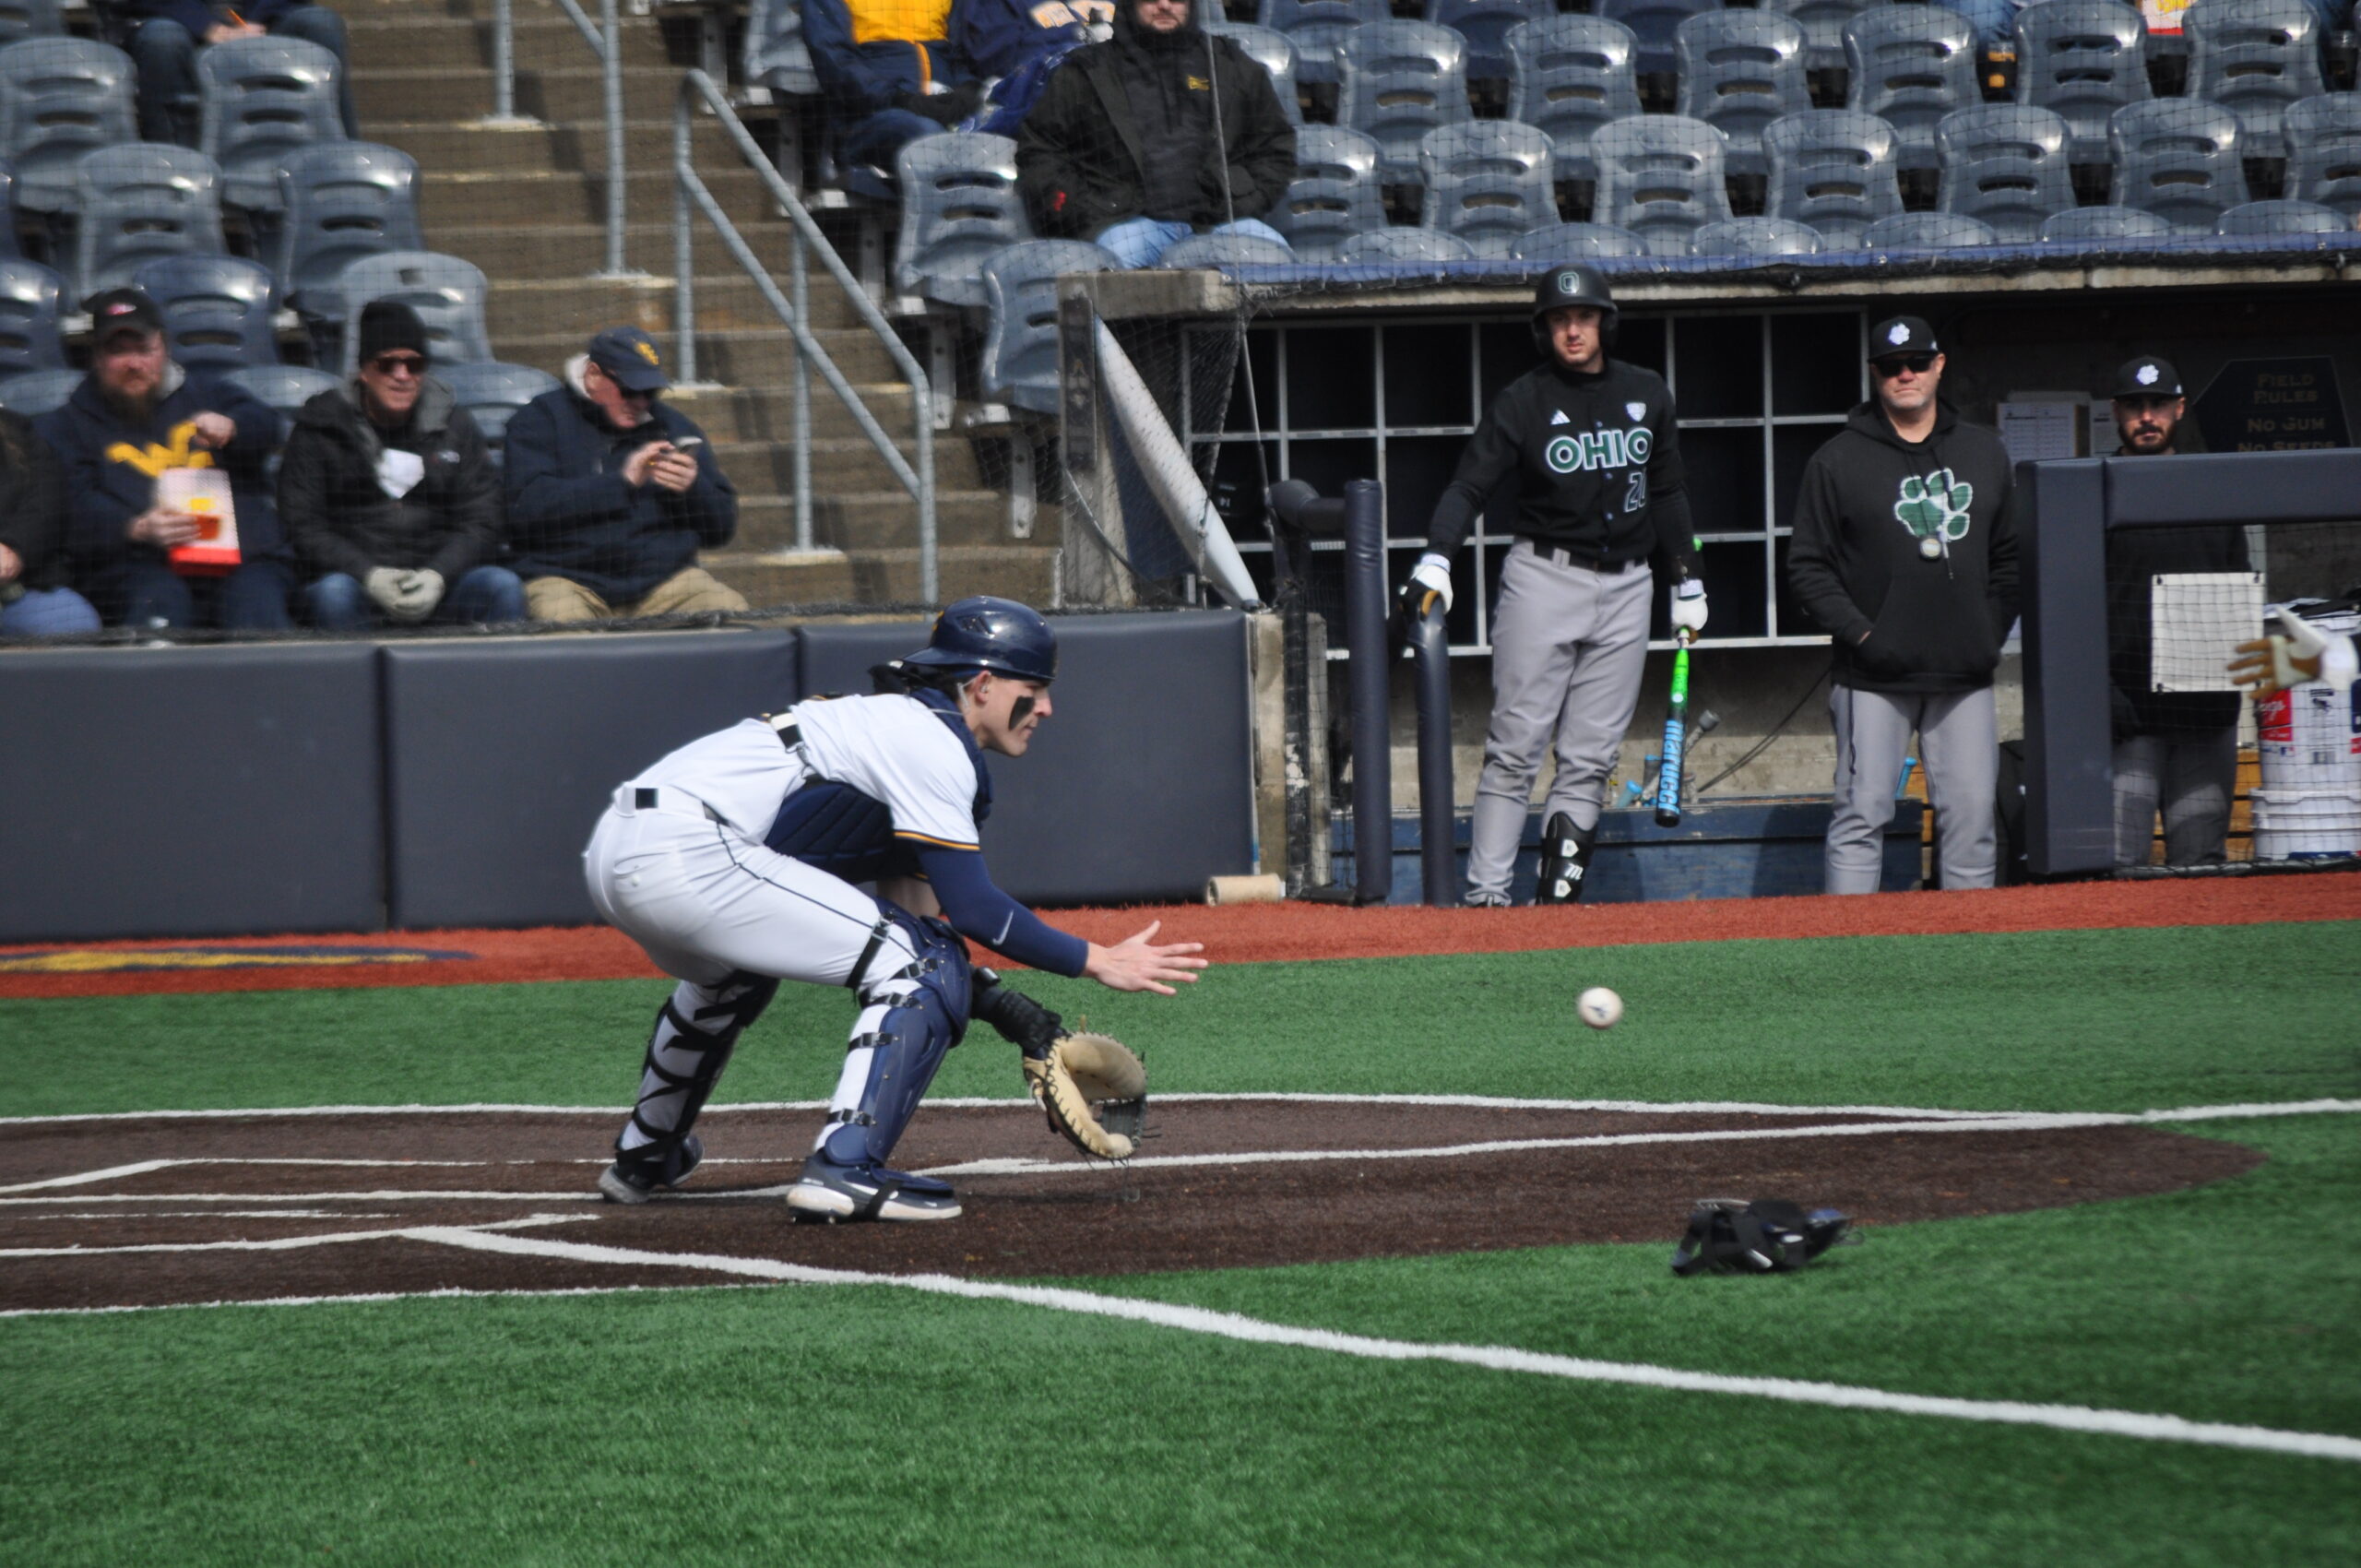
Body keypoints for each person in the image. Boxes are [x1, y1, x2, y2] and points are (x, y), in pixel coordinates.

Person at [581, 596, 1206, 1221]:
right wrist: (1096, 959)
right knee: (920, 964)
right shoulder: (930, 742)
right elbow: (972, 914)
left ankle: (647, 1153)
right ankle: (845, 1167)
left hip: (623, 848)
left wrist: (1019, 1017)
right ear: (983, 685)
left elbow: (923, 925)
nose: (1046, 708)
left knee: (747, 974)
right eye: (1033, 689)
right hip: (690, 850)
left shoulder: (893, 729)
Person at [1401, 267, 1705, 908]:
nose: (1573, 330)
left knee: (1590, 759)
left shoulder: (1647, 390)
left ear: (1604, 323)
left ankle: (1556, 910)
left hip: (1629, 586)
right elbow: (1469, 486)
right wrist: (1437, 557)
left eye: (1584, 317)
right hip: (1545, 578)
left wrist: (1687, 576)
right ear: (1544, 329)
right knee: (1516, 749)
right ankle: (1487, 898)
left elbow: (1668, 492)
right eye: (1560, 319)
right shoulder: (1523, 399)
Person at [1786, 315, 2020, 895]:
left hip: (1963, 674)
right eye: (1892, 366)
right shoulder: (1837, 459)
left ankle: (1969, 944)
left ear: (1939, 365)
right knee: (1861, 814)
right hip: (1872, 676)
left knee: (1972, 819)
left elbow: (2010, 558)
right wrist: (1866, 636)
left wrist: (1986, 633)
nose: (1905, 374)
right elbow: (1807, 567)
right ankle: (1852, 944)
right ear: (1874, 373)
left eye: (1917, 362)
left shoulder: (1984, 451)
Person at [41, 289, 295, 631]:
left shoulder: (209, 392)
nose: (133, 363)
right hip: (135, 566)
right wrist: (134, 527)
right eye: (118, 351)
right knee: (160, 599)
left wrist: (233, 428)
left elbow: (269, 426)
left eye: (143, 349)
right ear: (97, 357)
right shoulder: (67, 424)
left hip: (242, 557)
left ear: (163, 347)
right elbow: (71, 504)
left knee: (256, 601)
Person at [278, 302, 523, 631]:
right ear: (364, 371)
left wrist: (438, 574)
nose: (402, 376)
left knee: (501, 586)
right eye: (387, 364)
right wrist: (369, 575)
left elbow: (483, 517)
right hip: (355, 581)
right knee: (333, 593)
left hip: (441, 582)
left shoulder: (455, 425)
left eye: (414, 364)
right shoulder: (322, 425)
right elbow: (303, 523)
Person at [1014, 0, 1295, 268]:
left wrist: (1245, 201)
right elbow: (1039, 150)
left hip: (1220, 223)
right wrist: (1083, 210)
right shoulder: (1087, 70)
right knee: (1108, 272)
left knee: (1278, 261)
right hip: (1126, 227)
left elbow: (1275, 146)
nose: (1164, 5)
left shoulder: (1231, 65)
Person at [2102, 355, 2245, 868]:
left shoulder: (2211, 488)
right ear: (2116, 412)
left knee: (2201, 861)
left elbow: (2237, 593)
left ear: (2179, 409)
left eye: (2158, 404)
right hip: (2128, 716)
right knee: (2119, 863)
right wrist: (2099, 689)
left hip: (2204, 714)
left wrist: (2228, 687)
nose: (2147, 417)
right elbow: (2069, 606)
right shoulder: (2092, 490)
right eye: (2135, 405)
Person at [502, 326, 744, 624]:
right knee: (561, 619)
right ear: (593, 375)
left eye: (650, 392)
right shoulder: (540, 420)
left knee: (728, 610)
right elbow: (525, 510)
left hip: (663, 584)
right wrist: (621, 483)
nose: (640, 402)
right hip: (566, 580)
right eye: (629, 390)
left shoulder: (674, 426)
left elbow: (721, 530)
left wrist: (694, 488)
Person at [113, 0, 360, 148]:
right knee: (161, 39)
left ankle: (343, 161)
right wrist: (207, 27)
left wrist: (254, 22)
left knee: (320, 22)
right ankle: (170, 164)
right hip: (181, 24)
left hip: (263, 23)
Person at [801, 0, 983, 188]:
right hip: (867, 120)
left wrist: (967, 88)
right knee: (927, 137)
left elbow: (960, 53)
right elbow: (834, 62)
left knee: (992, 134)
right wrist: (898, 99)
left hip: (943, 113)